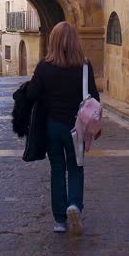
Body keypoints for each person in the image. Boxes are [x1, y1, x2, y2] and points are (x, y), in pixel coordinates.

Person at [26, 22, 99, 235]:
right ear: (76, 41)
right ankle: (74, 204)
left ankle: (59, 220)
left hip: (52, 127)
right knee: (76, 167)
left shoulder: (44, 67)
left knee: (57, 169)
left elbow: (32, 95)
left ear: (53, 41)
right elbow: (94, 97)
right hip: (77, 127)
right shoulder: (85, 66)